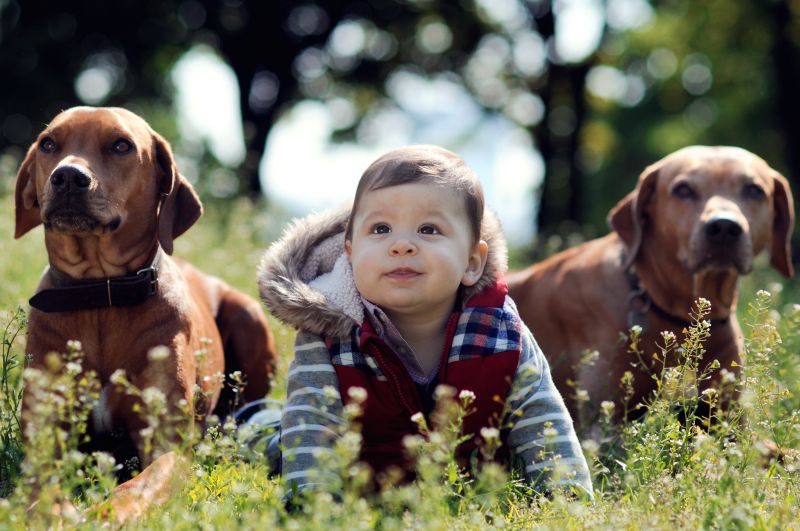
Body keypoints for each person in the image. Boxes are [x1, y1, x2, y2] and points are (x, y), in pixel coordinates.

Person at [256, 145, 592, 498]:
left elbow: (542, 419)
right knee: (278, 440)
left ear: (471, 262)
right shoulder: (328, 335)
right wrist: (313, 502)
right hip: (359, 474)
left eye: (428, 230)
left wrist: (566, 496)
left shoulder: (502, 335)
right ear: (350, 254)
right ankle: (256, 421)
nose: (402, 245)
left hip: (456, 476)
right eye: (381, 228)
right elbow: (313, 424)